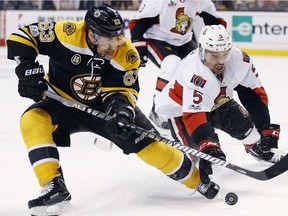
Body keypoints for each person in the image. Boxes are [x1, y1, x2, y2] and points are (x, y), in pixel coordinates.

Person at [6, 4, 220, 215]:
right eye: (107, 39)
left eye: (117, 37)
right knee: (32, 120)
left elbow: (122, 91)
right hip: (60, 103)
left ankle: (198, 180)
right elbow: (22, 36)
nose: (113, 44)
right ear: (91, 33)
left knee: (153, 148)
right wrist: (27, 69)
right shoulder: (65, 33)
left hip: (106, 109)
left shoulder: (126, 54)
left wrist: (122, 113)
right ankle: (54, 186)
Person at [155, 25, 281, 184]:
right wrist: (208, 145)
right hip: (180, 110)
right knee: (204, 159)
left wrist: (264, 127)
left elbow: (253, 94)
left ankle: (256, 147)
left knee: (251, 131)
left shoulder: (240, 59)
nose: (220, 61)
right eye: (214, 55)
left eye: (224, 54)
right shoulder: (195, 71)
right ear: (201, 50)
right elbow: (195, 115)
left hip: (216, 102)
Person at [128, 0, 227, 130]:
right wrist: (138, 44)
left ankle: (203, 108)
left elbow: (216, 21)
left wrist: (219, 36)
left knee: (204, 67)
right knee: (171, 65)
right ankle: (158, 112)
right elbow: (138, 23)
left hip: (184, 41)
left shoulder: (200, 1)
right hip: (157, 39)